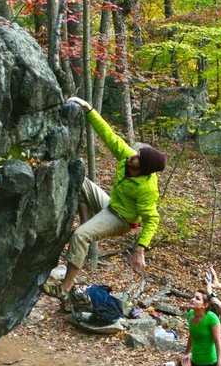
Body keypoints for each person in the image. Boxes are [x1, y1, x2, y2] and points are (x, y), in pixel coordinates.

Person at [41, 96, 166, 300]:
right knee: (79, 179)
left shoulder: (147, 188)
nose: (133, 156)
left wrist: (140, 249)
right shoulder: (128, 158)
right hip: (110, 204)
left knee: (80, 236)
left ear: (144, 169)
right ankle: (87, 224)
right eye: (137, 154)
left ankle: (63, 289)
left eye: (138, 158)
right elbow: (109, 136)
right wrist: (88, 109)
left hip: (121, 220)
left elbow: (152, 219)